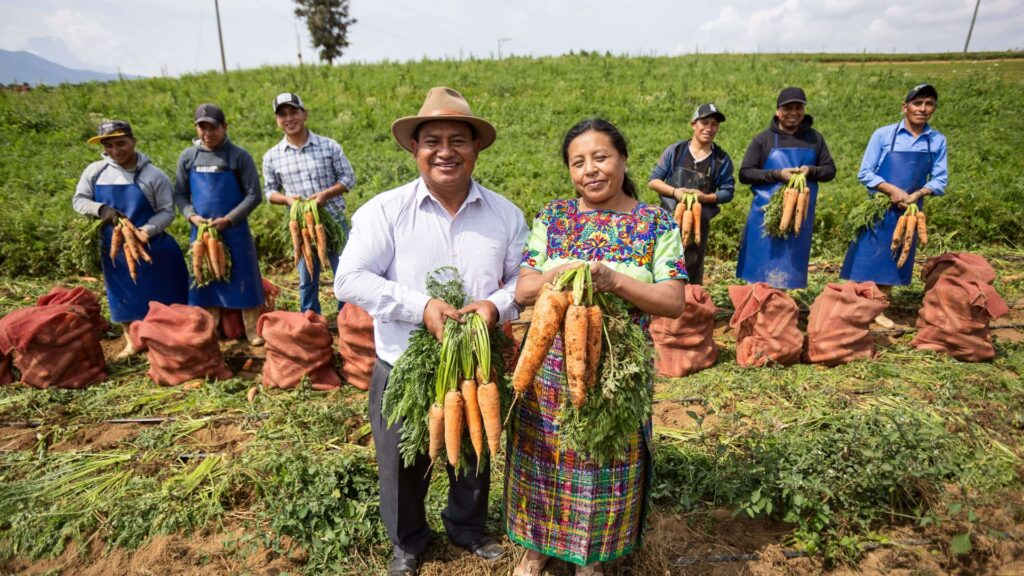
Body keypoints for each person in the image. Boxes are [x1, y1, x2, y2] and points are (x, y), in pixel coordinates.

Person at [334, 87, 527, 576]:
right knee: (401, 463)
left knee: (475, 451)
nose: (446, 151)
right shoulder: (385, 211)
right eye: (432, 141)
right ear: (415, 150)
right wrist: (421, 307)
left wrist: (494, 306)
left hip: (478, 367)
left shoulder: (506, 214)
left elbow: (522, 281)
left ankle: (466, 528)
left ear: (476, 148)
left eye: (458, 139)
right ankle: (408, 542)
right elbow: (349, 279)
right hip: (404, 363)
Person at [507, 118, 687, 576]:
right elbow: (524, 289)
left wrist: (614, 280)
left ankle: (592, 557)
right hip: (548, 362)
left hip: (618, 368)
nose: (590, 169)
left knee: (604, 462)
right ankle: (537, 547)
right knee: (544, 457)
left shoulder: (655, 224)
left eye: (601, 157)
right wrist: (562, 272)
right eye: (578, 162)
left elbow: (672, 301)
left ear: (623, 160)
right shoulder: (554, 217)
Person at [72, 120, 189, 360]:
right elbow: (79, 200)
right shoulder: (95, 172)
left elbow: (167, 211)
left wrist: (146, 231)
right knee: (124, 296)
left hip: (153, 246)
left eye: (121, 143)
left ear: (133, 141)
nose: (116, 150)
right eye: (109, 145)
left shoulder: (153, 175)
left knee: (164, 296)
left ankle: (167, 342)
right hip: (115, 248)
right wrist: (102, 209)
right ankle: (132, 342)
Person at [840, 84, 947, 327]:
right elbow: (865, 173)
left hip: (911, 210)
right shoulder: (884, 135)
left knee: (897, 254)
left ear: (933, 109)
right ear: (905, 107)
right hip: (879, 207)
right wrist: (891, 190)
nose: (922, 108)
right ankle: (859, 305)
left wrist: (919, 193)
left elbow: (940, 179)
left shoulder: (937, 141)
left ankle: (879, 306)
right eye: (917, 103)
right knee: (867, 256)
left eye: (928, 103)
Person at [173, 103, 266, 345]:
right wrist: (192, 216)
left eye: (213, 127)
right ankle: (209, 330)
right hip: (201, 231)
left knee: (244, 277)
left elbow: (254, 195)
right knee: (205, 279)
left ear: (224, 126)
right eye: (202, 127)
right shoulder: (188, 157)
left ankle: (251, 330)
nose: (207, 133)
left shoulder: (238, 156)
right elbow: (180, 195)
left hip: (235, 229)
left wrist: (230, 219)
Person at [263, 92, 356, 314]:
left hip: (333, 223)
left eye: (293, 112)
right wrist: (286, 199)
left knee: (346, 274)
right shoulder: (272, 156)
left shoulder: (329, 146)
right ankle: (311, 321)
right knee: (307, 279)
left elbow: (348, 178)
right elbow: (269, 191)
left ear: (305, 114)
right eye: (282, 114)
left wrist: (326, 194)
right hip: (301, 229)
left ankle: (348, 320)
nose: (289, 118)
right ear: (277, 120)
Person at [736, 87, 836, 289]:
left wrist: (811, 170)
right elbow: (745, 173)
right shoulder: (763, 139)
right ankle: (756, 311)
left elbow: (830, 170)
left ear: (804, 110)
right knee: (758, 272)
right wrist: (777, 174)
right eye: (787, 108)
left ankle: (779, 309)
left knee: (788, 269)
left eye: (798, 107)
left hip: (799, 215)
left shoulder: (815, 139)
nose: (793, 112)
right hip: (764, 217)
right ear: (777, 111)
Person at [648, 102, 735, 285]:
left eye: (714, 124)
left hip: (698, 228)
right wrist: (675, 192)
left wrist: (705, 198)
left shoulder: (721, 159)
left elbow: (728, 192)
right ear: (693, 124)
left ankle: (689, 307)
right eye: (705, 123)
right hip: (668, 224)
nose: (709, 128)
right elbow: (653, 181)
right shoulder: (676, 151)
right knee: (663, 266)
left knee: (692, 271)